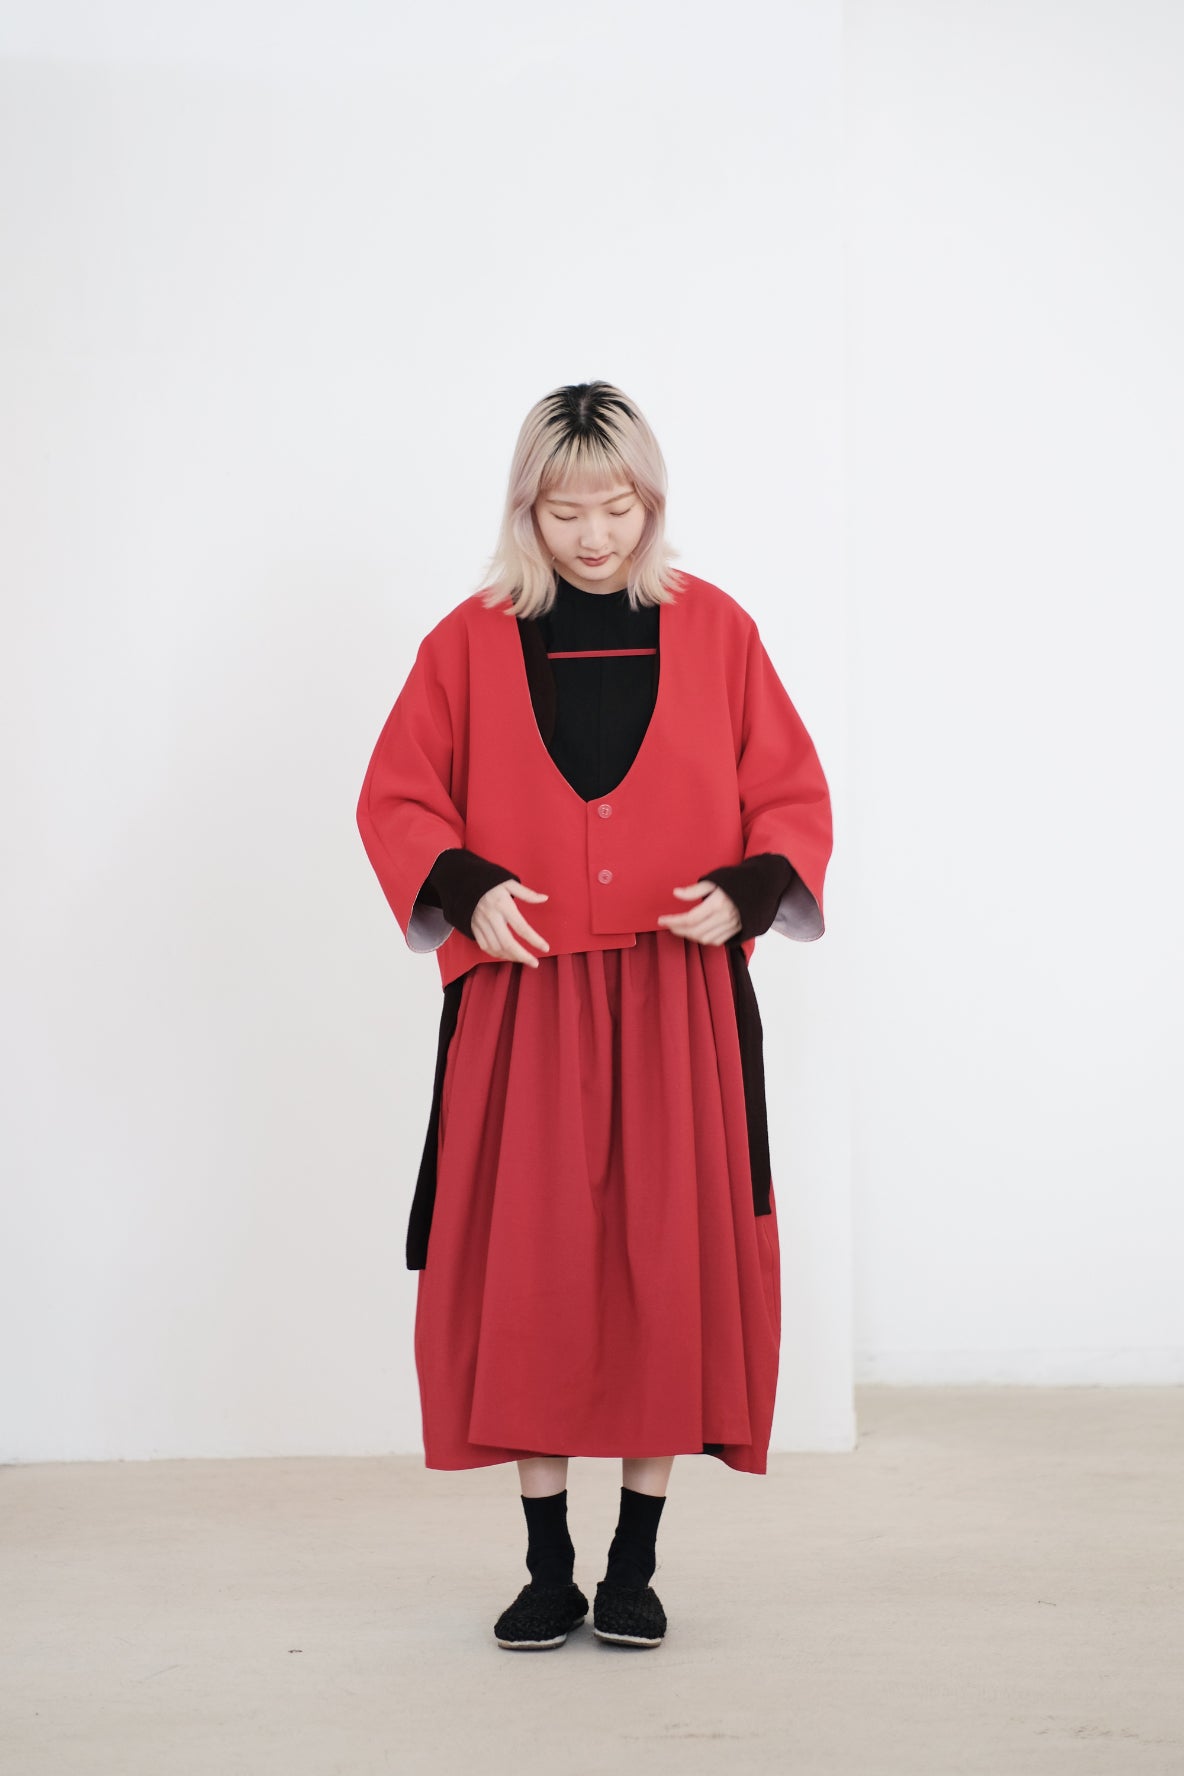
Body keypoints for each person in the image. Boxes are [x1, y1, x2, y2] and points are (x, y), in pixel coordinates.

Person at [356, 381, 832, 1652]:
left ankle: (633, 1566)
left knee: (665, 1271)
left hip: (678, 1005)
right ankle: (545, 1569)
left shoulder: (717, 630)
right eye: (565, 511)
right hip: (524, 1005)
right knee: (531, 1276)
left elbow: (790, 794)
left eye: (617, 506)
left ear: (650, 501)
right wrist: (463, 884)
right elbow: (398, 797)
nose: (593, 535)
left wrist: (748, 889)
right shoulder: (465, 644)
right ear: (526, 510)